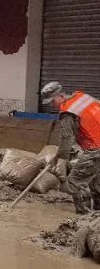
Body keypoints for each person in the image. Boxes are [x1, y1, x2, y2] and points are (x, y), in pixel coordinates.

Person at [41, 82, 100, 215]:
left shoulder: (68, 111)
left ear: (61, 96)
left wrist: (60, 157)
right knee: (96, 179)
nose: (52, 105)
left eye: (52, 101)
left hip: (96, 149)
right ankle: (98, 212)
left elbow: (67, 138)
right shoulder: (81, 97)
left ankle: (85, 215)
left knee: (74, 182)